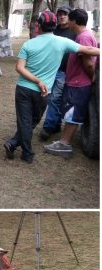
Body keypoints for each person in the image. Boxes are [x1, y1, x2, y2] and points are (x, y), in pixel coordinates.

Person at [3, 10, 100, 164]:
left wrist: (36, 80)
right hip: (42, 91)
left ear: (39, 26)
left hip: (23, 89)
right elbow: (88, 50)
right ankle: (26, 153)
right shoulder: (62, 42)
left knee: (25, 121)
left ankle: (15, 143)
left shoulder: (28, 43)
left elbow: (20, 68)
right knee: (32, 120)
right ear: (54, 26)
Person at [44, 9, 98, 158]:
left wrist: (92, 77)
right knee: (69, 112)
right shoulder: (84, 35)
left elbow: (88, 63)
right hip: (75, 81)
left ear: (73, 21)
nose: (68, 22)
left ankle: (65, 144)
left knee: (72, 113)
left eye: (69, 20)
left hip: (78, 83)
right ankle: (64, 140)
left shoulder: (83, 37)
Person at [39, 6, 77, 140]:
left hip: (65, 72)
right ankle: (55, 125)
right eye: (60, 14)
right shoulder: (53, 31)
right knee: (50, 98)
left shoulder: (74, 32)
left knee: (55, 98)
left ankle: (48, 127)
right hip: (50, 70)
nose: (62, 16)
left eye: (65, 14)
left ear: (69, 16)